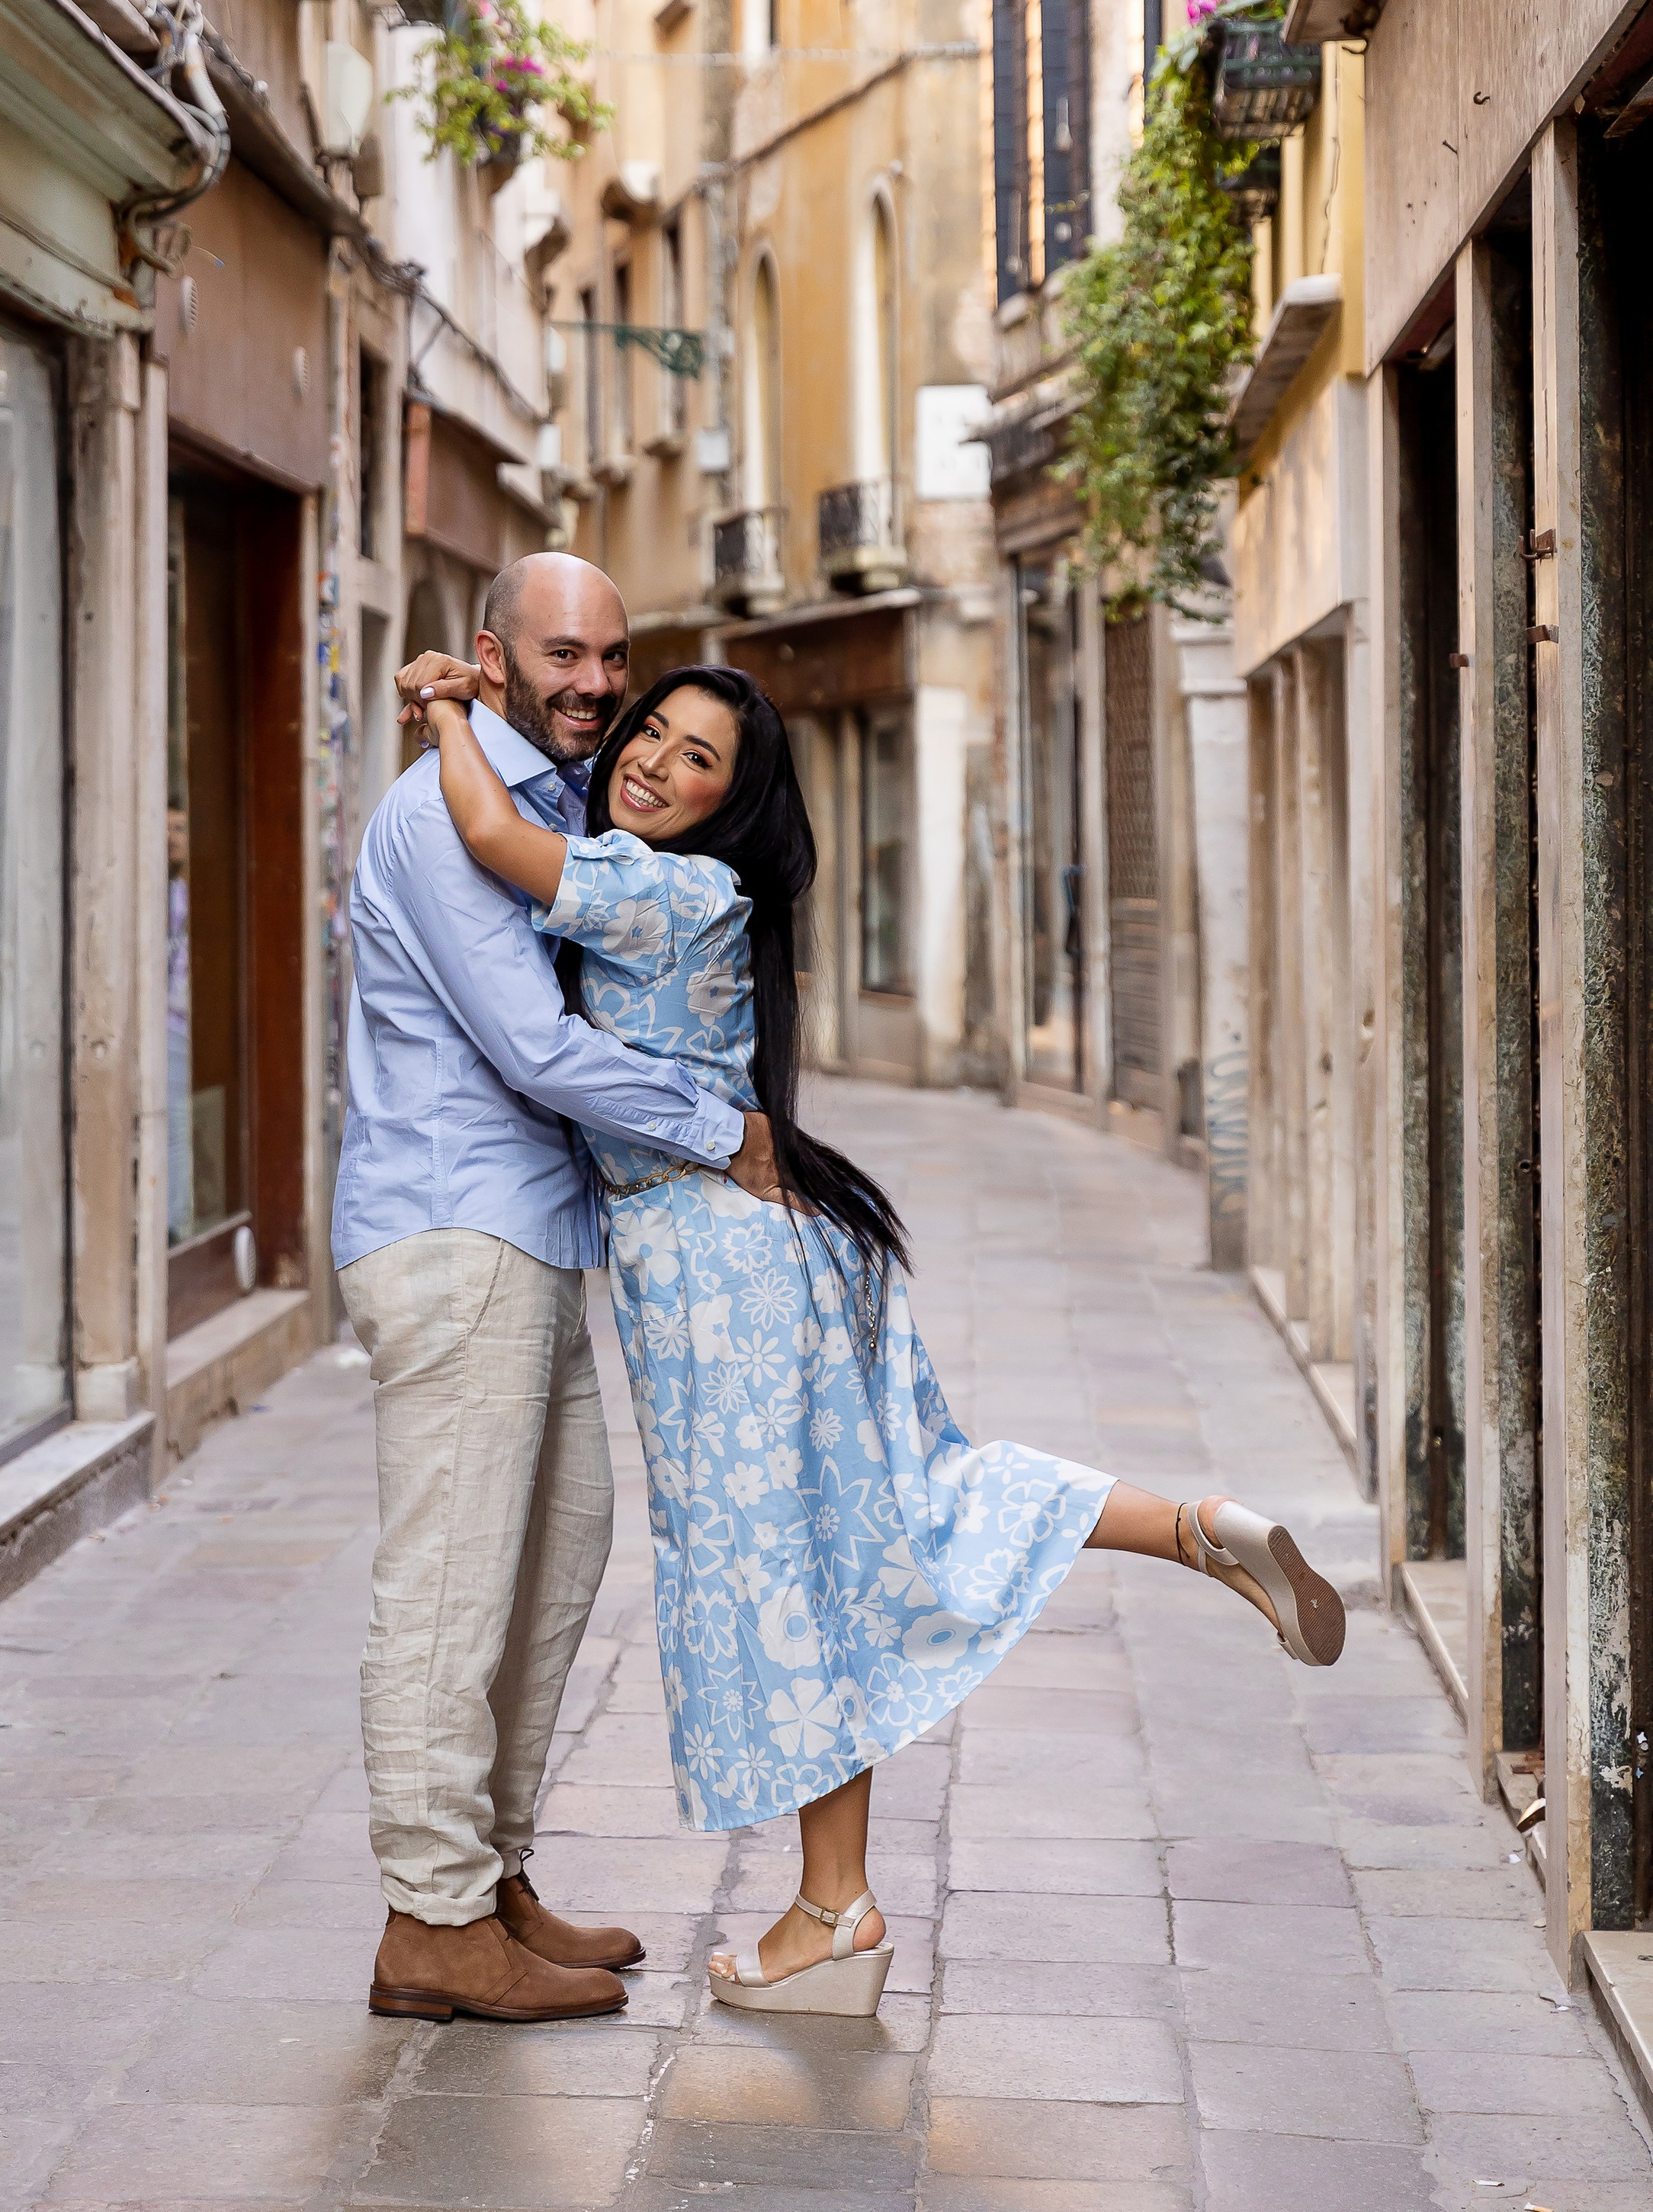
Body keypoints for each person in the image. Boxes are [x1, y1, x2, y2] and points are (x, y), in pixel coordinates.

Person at [405, 660, 1347, 2018]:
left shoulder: (671, 892)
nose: (655, 762)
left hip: (718, 1277)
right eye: (649, 733)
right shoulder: (693, 894)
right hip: (774, 1257)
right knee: (875, 1528)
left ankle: (833, 1907)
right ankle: (1192, 1527)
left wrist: (441, 706)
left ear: (737, 804)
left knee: (775, 1583)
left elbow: (492, 839)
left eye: (698, 759)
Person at [335, 557, 785, 2030]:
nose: (598, 685)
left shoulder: (538, 802)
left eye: (615, 656)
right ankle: (432, 1921)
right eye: (563, 655)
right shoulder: (442, 815)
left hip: (534, 1234)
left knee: (555, 1558)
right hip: (458, 1229)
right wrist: (723, 1128)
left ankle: (494, 1876)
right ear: (492, 655)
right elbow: (532, 1048)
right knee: (454, 1590)